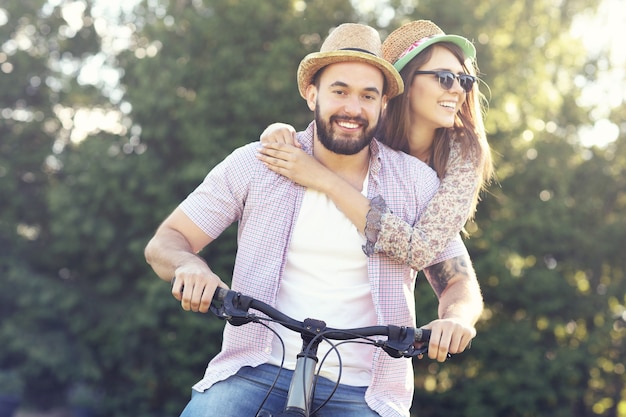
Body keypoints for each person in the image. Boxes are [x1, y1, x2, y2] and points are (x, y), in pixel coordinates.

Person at [144, 23, 483, 417]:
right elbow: (166, 242)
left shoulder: (415, 182)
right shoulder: (261, 162)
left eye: (367, 96)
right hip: (254, 369)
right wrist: (189, 266)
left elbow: (459, 281)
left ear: (383, 105)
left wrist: (456, 320)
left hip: (366, 389)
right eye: (339, 91)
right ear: (312, 94)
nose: (353, 109)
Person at [258, 20, 493, 270]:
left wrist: (322, 179)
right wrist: (279, 131)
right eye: (445, 78)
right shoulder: (366, 126)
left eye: (465, 80)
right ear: (407, 83)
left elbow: (421, 250)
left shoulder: (465, 150)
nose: (458, 90)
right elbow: (318, 136)